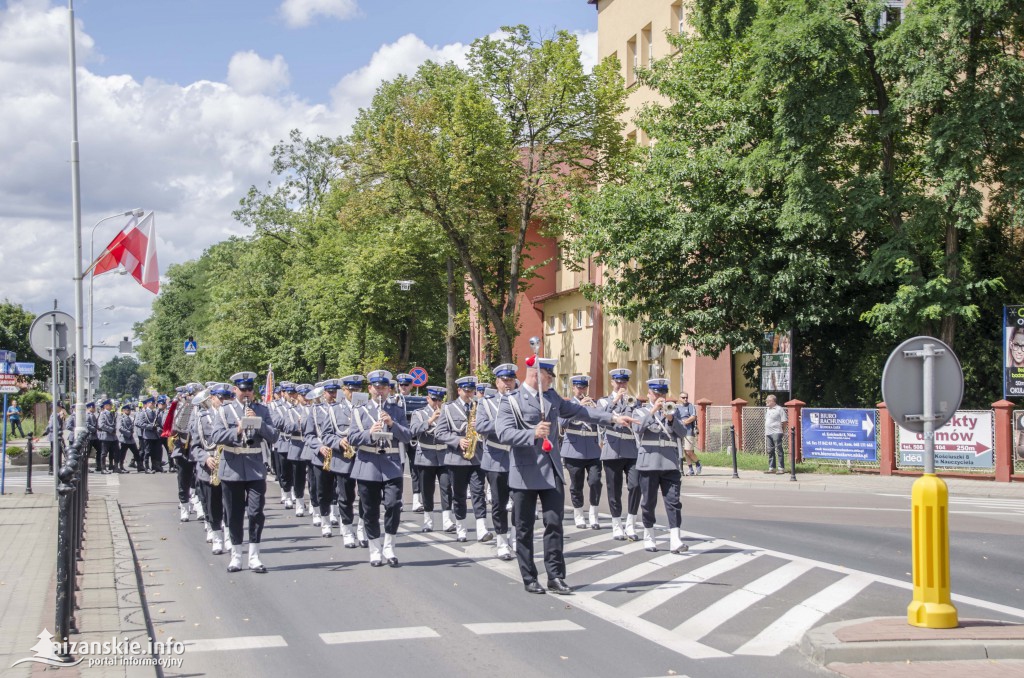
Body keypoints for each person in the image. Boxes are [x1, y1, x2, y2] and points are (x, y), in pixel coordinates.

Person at [495, 357, 637, 595]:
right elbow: (503, 432)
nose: (552, 380)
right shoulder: (512, 401)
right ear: (536, 375)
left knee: (554, 524)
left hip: (550, 471)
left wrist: (613, 419)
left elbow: (581, 412)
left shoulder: (551, 398)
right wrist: (532, 433)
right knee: (524, 528)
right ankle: (529, 576)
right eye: (549, 376)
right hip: (524, 472)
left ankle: (555, 576)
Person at [208, 371, 279, 573]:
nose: (246, 393)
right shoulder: (225, 411)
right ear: (235, 390)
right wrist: (237, 430)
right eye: (243, 390)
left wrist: (258, 422)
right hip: (232, 467)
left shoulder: (262, 410)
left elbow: (274, 436)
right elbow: (215, 436)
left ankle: (254, 556)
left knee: (256, 512)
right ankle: (237, 555)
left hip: (255, 467)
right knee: (234, 513)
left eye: (250, 389)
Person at [346, 370, 413, 567]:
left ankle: (389, 546)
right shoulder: (359, 410)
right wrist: (369, 432)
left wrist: (392, 424)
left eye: (384, 388)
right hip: (368, 465)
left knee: (393, 505)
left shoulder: (397, 410)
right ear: (370, 389)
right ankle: (375, 549)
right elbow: (351, 438)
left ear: (388, 389)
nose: (380, 391)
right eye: (376, 387)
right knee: (370, 510)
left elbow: (407, 436)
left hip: (391, 464)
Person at [635, 378, 689, 555]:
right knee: (649, 502)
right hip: (648, 463)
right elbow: (639, 429)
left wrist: (671, 418)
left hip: (670, 463)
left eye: (663, 393)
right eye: (656, 393)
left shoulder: (673, 411)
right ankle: (649, 536)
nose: (660, 397)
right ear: (649, 393)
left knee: (673, 502)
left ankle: (675, 539)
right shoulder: (640, 410)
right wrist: (653, 411)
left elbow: (682, 433)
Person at [435, 375, 491, 543]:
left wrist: (480, 430)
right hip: (456, 458)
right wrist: (457, 440)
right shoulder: (448, 408)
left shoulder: (480, 406)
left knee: (478, 492)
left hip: (477, 457)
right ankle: (461, 527)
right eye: (466, 391)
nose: (469, 394)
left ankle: (481, 528)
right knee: (459, 495)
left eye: (471, 391)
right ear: (459, 391)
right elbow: (439, 433)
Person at [473, 364, 518, 561]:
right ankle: (501, 542)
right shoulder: (487, 403)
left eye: (510, 380)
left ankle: (516, 537)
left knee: (520, 502)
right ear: (497, 383)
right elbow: (481, 426)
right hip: (496, 458)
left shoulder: (522, 401)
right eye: (504, 380)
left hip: (518, 458)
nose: (507, 384)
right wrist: (503, 424)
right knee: (499, 503)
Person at [599, 368, 642, 541]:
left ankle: (631, 523)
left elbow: (639, 421)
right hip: (612, 450)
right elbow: (602, 418)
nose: (621, 385)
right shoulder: (604, 401)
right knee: (614, 490)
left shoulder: (634, 402)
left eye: (624, 382)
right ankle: (617, 525)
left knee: (635, 486)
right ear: (612, 383)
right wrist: (615, 400)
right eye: (618, 382)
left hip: (631, 449)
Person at [560, 374, 604, 530]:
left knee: (595, 482)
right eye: (579, 388)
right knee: (576, 484)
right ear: (573, 388)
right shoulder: (567, 405)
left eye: (584, 387)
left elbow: (603, 421)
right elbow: (562, 423)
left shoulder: (594, 403)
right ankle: (579, 514)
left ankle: (593, 514)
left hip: (593, 450)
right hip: (573, 449)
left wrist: (595, 410)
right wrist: (578, 409)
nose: (581, 390)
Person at [408, 385, 450, 534]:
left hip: (444, 456)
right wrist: (431, 420)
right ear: (427, 399)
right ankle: (428, 521)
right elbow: (412, 430)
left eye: (439, 399)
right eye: (434, 399)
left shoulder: (447, 412)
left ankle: (447, 520)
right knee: (427, 490)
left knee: (446, 488)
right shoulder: (418, 413)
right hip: (425, 456)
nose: (437, 403)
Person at [394, 373, 422, 511]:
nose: (403, 387)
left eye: (406, 385)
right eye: (401, 385)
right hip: (399, 438)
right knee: (398, 467)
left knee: (415, 467)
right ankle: (399, 498)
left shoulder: (416, 401)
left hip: (413, 437)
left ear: (411, 386)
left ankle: (417, 499)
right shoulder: (393, 401)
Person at [676, 392, 701, 476]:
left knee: (689, 451)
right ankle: (690, 469)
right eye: (683, 397)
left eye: (686, 397)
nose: (685, 399)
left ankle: (698, 464)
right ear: (680, 398)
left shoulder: (690, 406)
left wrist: (685, 422)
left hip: (689, 431)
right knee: (685, 452)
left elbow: (693, 417)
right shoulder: (677, 408)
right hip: (680, 432)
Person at [764, 394, 788, 474]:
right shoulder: (768, 409)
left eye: (768, 400)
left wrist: (783, 431)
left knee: (779, 450)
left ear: (773, 401)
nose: (766, 401)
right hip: (768, 432)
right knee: (770, 450)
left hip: (777, 432)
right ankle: (772, 468)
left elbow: (784, 421)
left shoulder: (779, 409)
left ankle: (781, 468)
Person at [116, 404, 141, 472]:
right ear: (123, 410)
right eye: (127, 410)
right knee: (122, 454)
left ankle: (140, 466)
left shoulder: (129, 418)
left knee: (136, 452)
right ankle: (121, 466)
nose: (129, 411)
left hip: (131, 439)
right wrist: (128, 433)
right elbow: (120, 428)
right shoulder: (121, 418)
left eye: (129, 410)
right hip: (124, 438)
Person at [96, 399, 117, 474]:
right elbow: (101, 425)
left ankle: (114, 466)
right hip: (105, 436)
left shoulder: (111, 413)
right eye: (110, 405)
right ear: (106, 406)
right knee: (104, 453)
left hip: (112, 437)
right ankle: (103, 468)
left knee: (114, 452)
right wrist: (111, 429)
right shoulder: (103, 414)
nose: (111, 406)